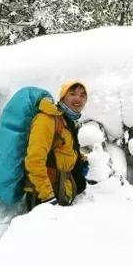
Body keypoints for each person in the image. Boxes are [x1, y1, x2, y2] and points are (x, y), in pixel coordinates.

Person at [23, 80, 90, 210]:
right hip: (43, 197)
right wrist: (48, 197)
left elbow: (62, 149)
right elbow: (34, 161)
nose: (78, 99)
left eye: (82, 95)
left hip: (61, 189)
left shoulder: (66, 121)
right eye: (73, 93)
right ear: (63, 97)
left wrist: (79, 160)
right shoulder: (46, 120)